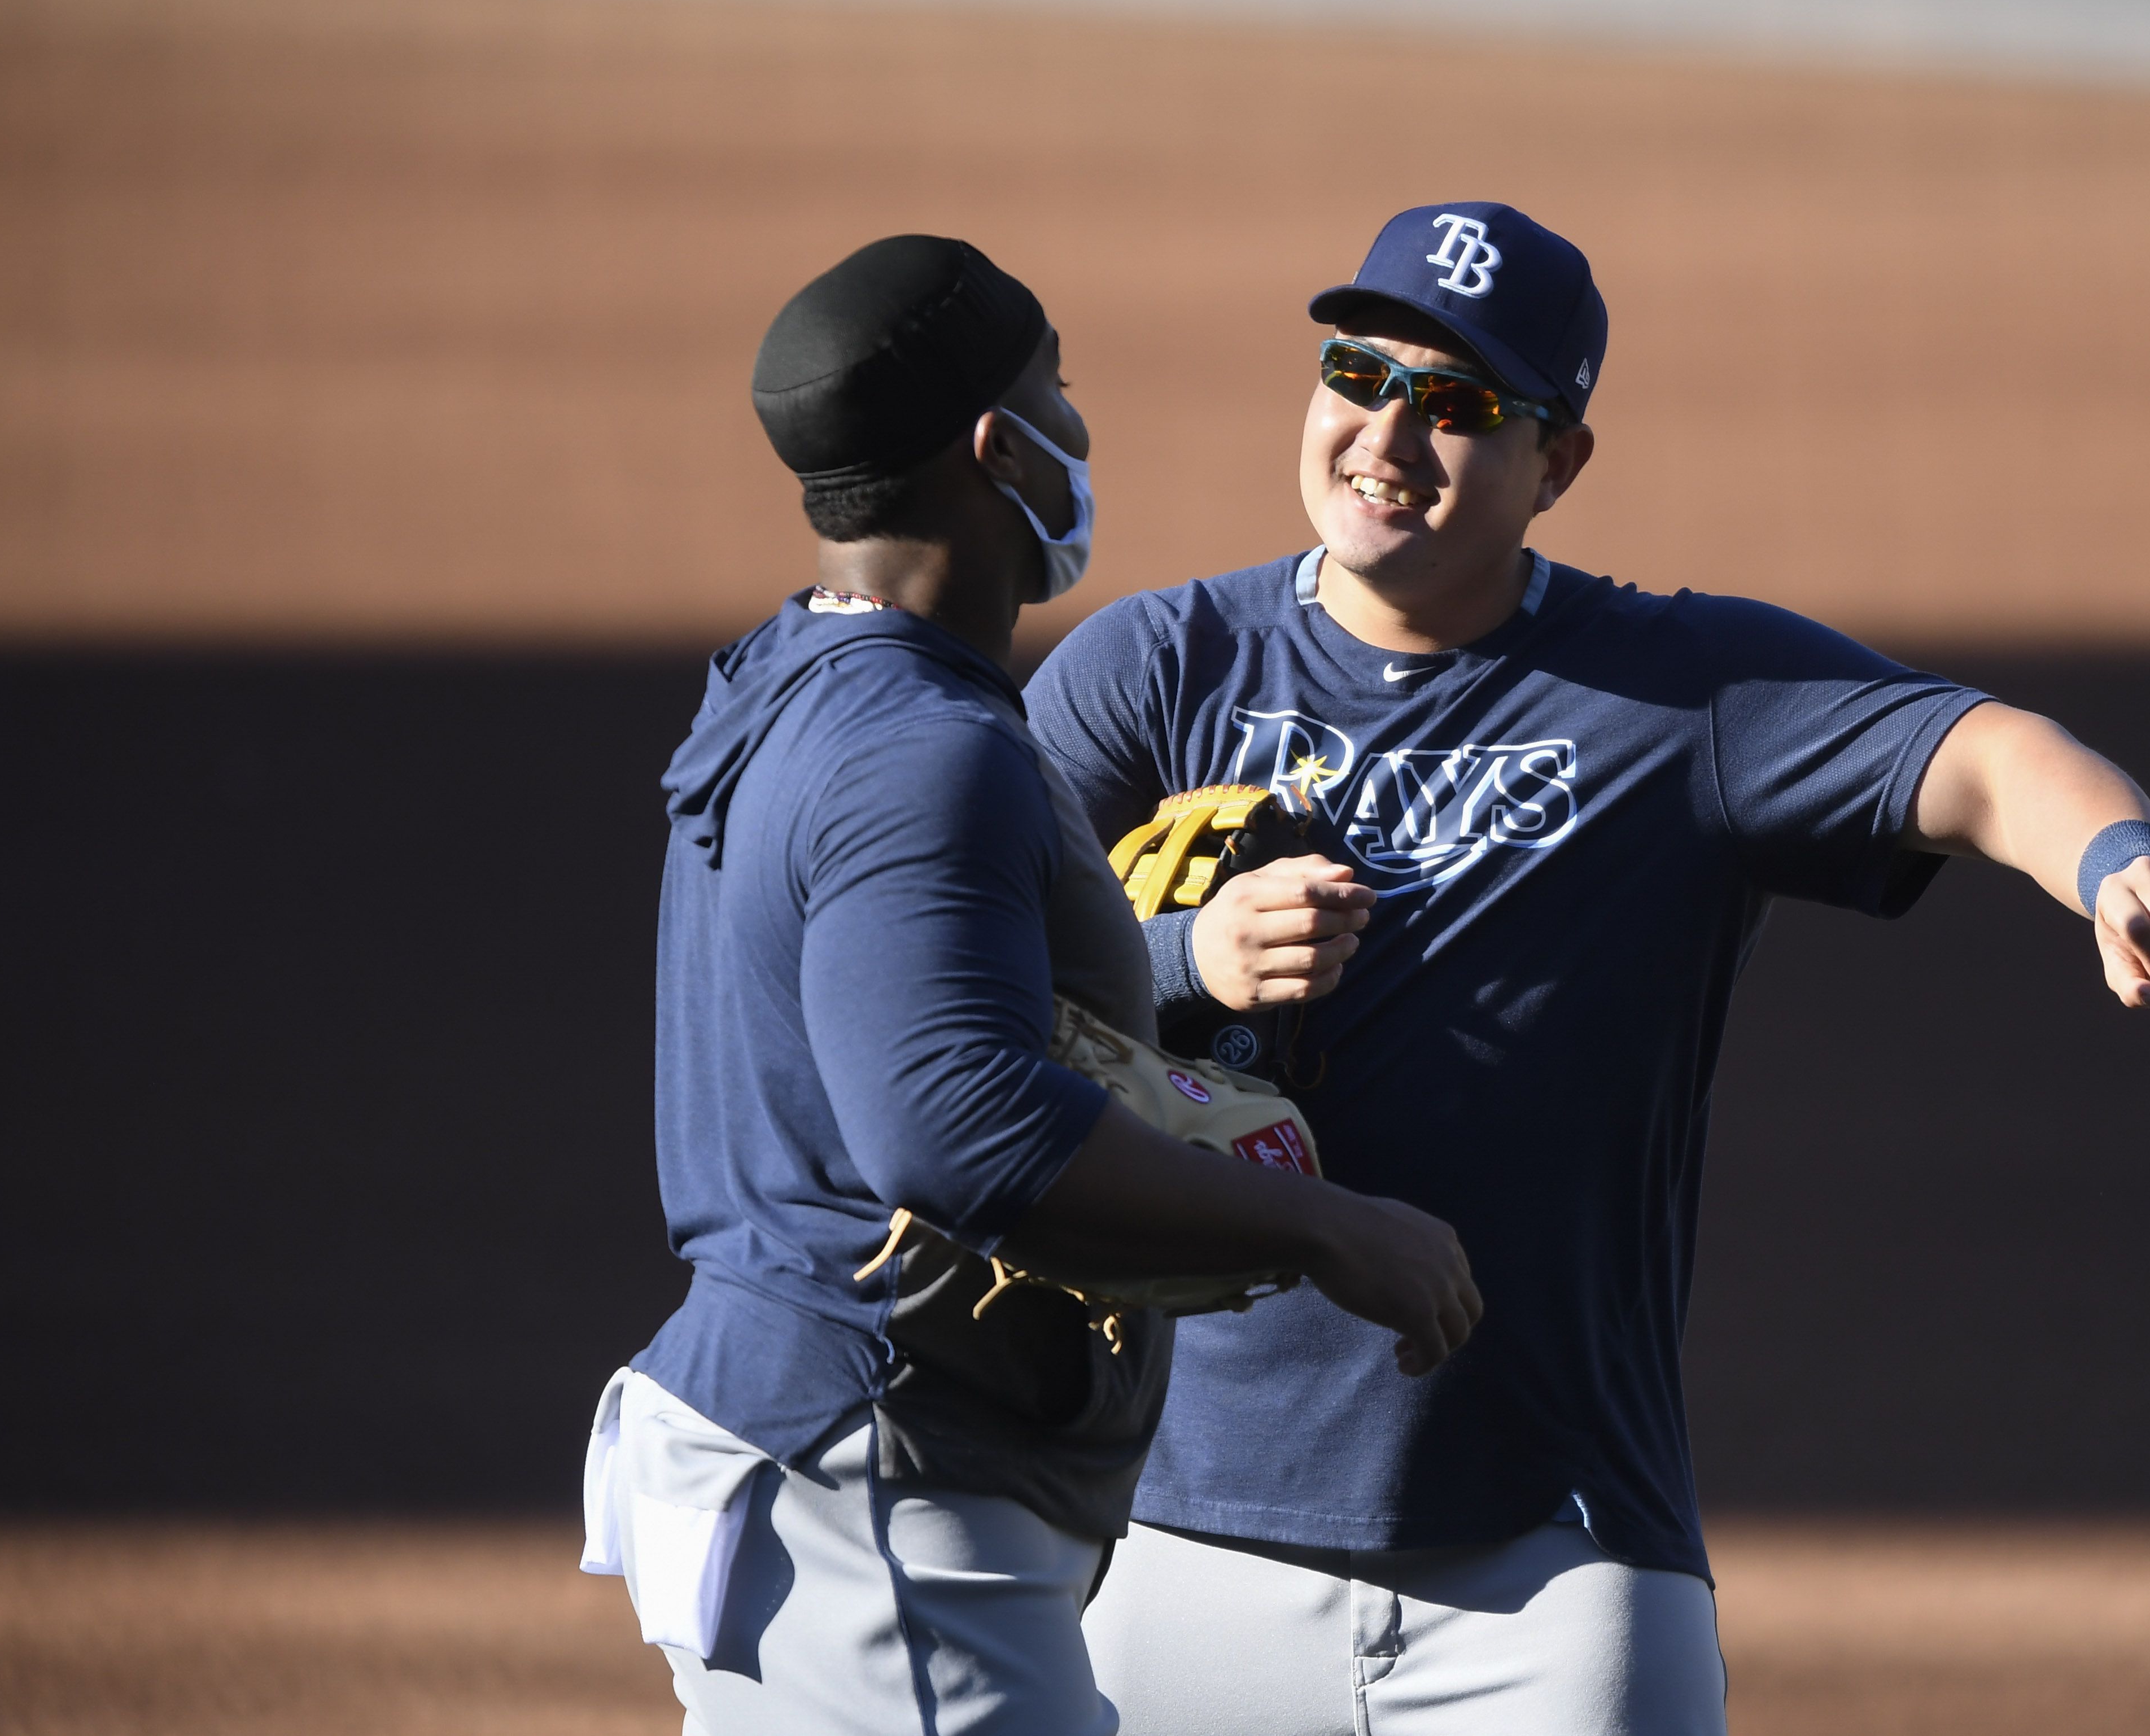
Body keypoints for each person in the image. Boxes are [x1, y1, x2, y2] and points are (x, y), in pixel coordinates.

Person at [1025, 202, 2150, 1735]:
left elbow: (1981, 756)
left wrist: (2114, 859)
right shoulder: (1160, 669)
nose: (1390, 433)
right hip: (1175, 1534)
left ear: (1560, 465)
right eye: (1358, 371)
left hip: (1556, 1565)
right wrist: (1195, 952)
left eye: (1461, 405)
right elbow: (963, 970)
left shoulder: (1685, 694)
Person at [576, 234, 1482, 1736]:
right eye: (1058, 391)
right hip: (874, 1478)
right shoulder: (925, 750)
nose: (1080, 426)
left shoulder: (785, 681)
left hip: (801, 1454)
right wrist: (1326, 1227)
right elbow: (958, 1130)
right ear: (1002, 448)